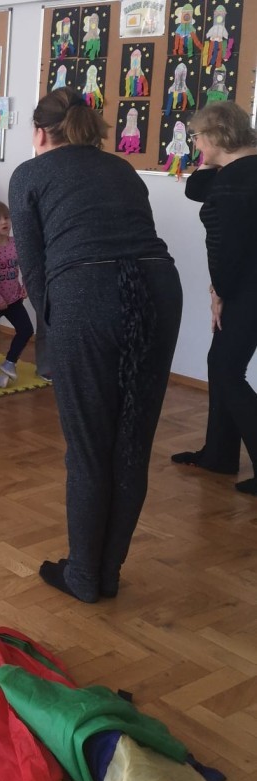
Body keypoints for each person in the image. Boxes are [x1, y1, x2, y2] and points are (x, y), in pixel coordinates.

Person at [9, 86, 183, 602]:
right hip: (158, 287)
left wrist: (56, 341)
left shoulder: (30, 174)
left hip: (87, 293)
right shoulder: (121, 169)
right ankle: (106, 572)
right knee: (131, 443)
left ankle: (84, 575)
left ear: (40, 133)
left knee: (88, 448)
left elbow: (34, 273)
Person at [171, 101, 257, 496]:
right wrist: (217, 157)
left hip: (245, 286)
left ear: (217, 135)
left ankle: (223, 454)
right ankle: (219, 454)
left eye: (197, 136)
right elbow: (196, 188)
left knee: (225, 369)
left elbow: (226, 249)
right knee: (221, 363)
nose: (195, 143)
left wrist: (218, 292)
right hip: (246, 282)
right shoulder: (238, 172)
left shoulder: (233, 184)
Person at [0, 200, 33, 388]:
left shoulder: (15, 243)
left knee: (26, 330)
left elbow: (26, 265)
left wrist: (25, 285)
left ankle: (9, 362)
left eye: (7, 218)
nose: (4, 222)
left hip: (13, 298)